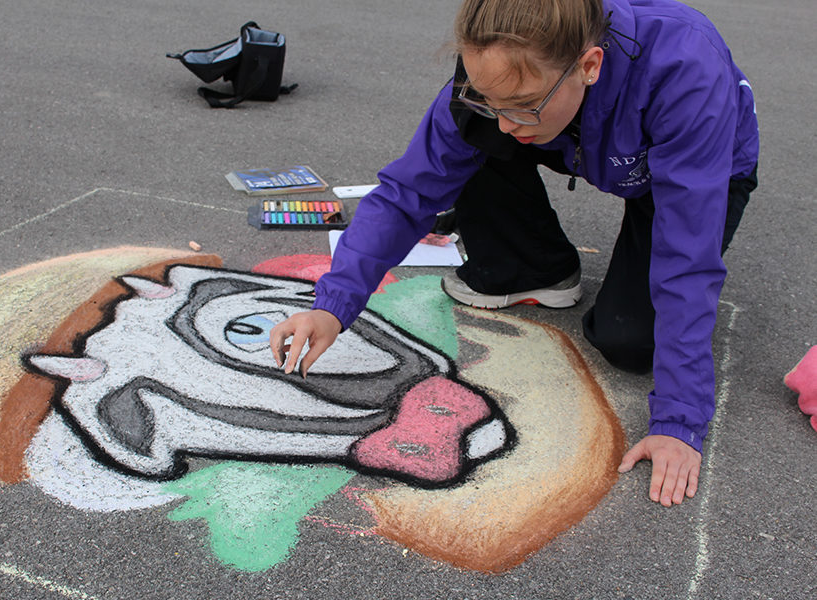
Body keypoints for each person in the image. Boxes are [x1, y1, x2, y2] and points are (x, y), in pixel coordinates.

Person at [269, 0, 759, 507]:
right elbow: (406, 194)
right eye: (487, 98)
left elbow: (686, 260)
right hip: (567, 121)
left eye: (519, 102)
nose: (503, 123)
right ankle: (533, 267)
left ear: (590, 66)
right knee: (473, 139)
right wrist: (332, 304)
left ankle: (545, 241)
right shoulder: (504, 86)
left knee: (630, 340)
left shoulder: (684, 70)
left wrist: (679, 420)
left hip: (694, 169)